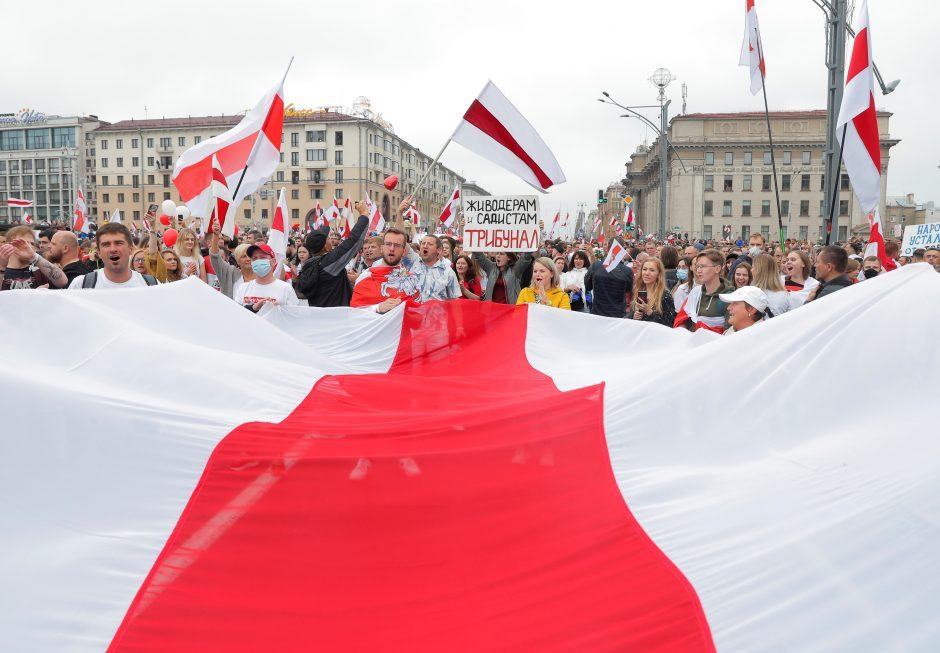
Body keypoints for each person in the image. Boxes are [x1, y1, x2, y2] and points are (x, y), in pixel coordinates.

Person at [297, 201, 370, 307]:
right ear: (325, 247)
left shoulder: (308, 266)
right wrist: (364, 214)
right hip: (336, 319)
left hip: (318, 317)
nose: (330, 240)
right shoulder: (328, 262)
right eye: (328, 239)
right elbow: (353, 241)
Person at [351, 227, 422, 313]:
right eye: (388, 244)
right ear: (382, 248)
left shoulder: (412, 281)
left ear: (404, 251)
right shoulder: (365, 277)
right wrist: (377, 308)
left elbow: (419, 313)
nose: (392, 248)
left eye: (397, 245)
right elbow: (354, 314)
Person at [68, 223, 158, 289]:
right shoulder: (81, 285)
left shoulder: (151, 285)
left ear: (131, 249)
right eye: (106, 244)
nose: (113, 249)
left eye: (118, 243)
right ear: (98, 252)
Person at [674, 249, 734, 333]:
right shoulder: (695, 293)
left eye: (703, 266)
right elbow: (681, 320)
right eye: (697, 266)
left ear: (717, 269)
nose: (698, 270)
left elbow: (730, 331)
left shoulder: (729, 297)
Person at [237, 242, 302, 311]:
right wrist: (253, 308)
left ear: (273, 262)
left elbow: (295, 315)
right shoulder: (243, 288)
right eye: (254, 258)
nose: (258, 261)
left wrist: (280, 310)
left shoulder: (286, 288)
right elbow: (236, 314)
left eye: (263, 257)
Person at [1, 225, 69, 290]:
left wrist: (36, 258)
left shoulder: (39, 270)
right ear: (9, 245)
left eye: (32, 244)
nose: (29, 247)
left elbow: (63, 282)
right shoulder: (2, 272)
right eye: (23, 243)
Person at [584, 239, 634, 318]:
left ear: (608, 248)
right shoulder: (627, 271)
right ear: (622, 249)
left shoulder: (596, 266)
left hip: (600, 313)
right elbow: (629, 290)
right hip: (616, 315)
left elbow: (587, 285)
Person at [409, 234, 462, 303]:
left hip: (438, 312)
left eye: (429, 244)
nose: (425, 246)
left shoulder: (448, 272)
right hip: (413, 312)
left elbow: (454, 300)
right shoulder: (412, 264)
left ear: (439, 250)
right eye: (423, 243)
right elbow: (402, 242)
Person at [208, 224, 255, 300]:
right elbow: (215, 257)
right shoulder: (230, 273)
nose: (248, 259)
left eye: (250, 256)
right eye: (244, 256)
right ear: (238, 261)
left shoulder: (260, 275)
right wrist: (216, 235)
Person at [630, 258, 676, 327]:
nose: (647, 273)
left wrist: (650, 312)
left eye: (652, 270)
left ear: (658, 274)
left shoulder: (664, 295)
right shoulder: (638, 290)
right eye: (644, 269)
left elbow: (669, 324)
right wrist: (633, 316)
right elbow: (630, 315)